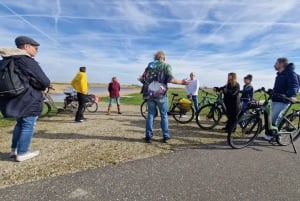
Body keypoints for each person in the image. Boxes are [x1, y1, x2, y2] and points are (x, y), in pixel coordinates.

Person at [0, 36, 51, 162]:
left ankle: (14, 150)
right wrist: (45, 86)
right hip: (29, 99)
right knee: (28, 124)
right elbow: (44, 80)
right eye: (36, 48)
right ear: (26, 46)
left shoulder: (7, 60)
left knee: (20, 123)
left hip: (15, 99)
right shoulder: (26, 60)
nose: (37, 51)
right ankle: (23, 152)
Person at [139, 50, 190, 143]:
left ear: (155, 58)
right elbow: (171, 79)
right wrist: (182, 82)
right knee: (164, 115)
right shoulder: (166, 66)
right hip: (161, 94)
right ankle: (166, 136)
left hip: (149, 94)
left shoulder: (149, 66)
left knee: (150, 114)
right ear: (164, 58)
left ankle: (148, 136)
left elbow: (142, 78)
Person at [262, 58, 299, 140]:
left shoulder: (290, 73)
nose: (274, 65)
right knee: (270, 118)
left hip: (284, 100)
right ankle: (271, 135)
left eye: (276, 63)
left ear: (281, 64)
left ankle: (277, 137)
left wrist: (292, 95)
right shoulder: (279, 75)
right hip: (276, 99)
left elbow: (294, 85)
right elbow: (279, 88)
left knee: (274, 119)